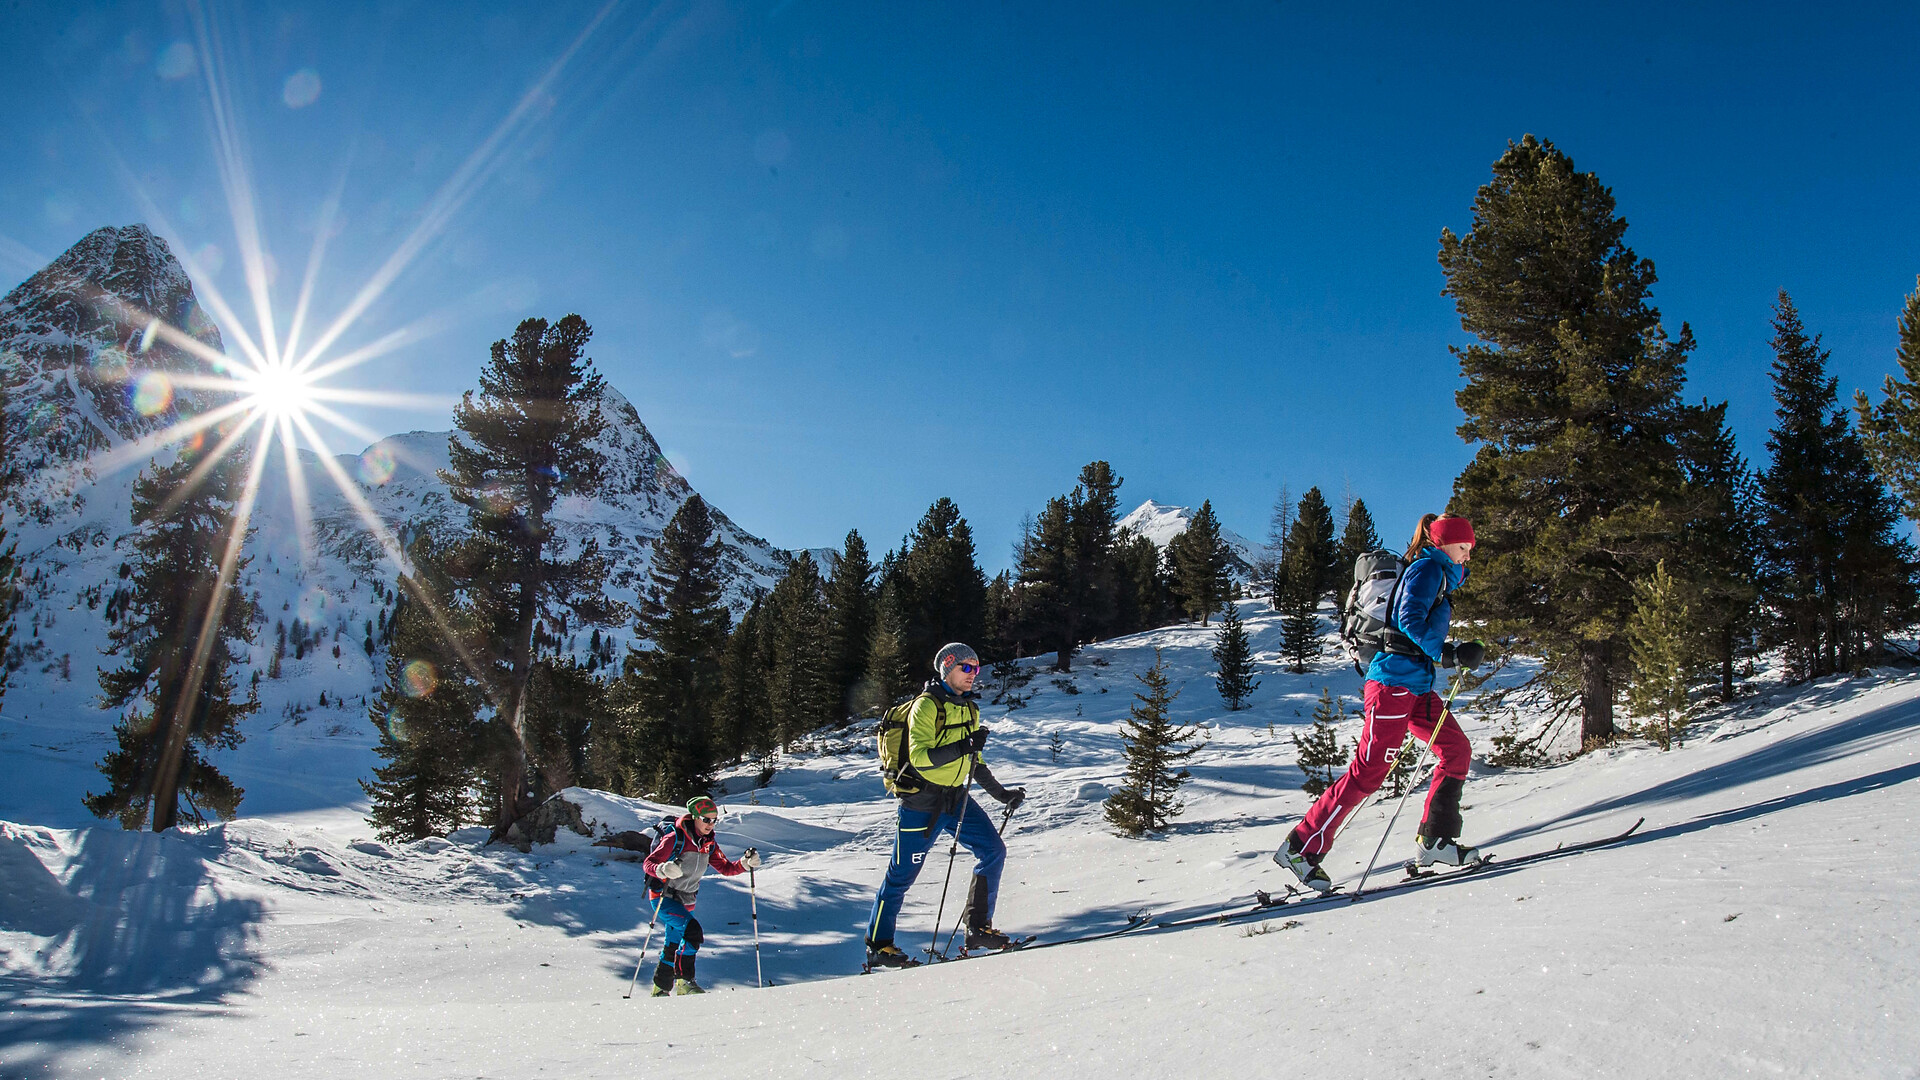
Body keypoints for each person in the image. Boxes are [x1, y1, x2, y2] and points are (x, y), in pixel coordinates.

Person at [1276, 513, 1487, 891]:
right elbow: (1409, 619)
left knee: (1456, 750)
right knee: (1369, 772)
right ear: (1442, 544)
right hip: (1392, 686)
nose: (1467, 555)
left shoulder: (1440, 574)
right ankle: (1301, 847)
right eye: (1463, 547)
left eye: (1470, 549)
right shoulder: (1427, 569)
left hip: (1417, 688)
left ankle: (1435, 840)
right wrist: (1448, 653)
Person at [864, 642, 1027, 969]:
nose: (972, 675)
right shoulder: (926, 707)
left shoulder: (970, 708)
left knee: (993, 850)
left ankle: (978, 928)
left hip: (956, 801)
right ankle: (879, 946)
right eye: (966, 668)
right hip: (922, 804)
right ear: (946, 668)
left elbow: (974, 762)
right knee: (901, 876)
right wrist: (964, 744)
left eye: (976, 669)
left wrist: (1001, 794)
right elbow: (921, 759)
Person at [641, 795, 762, 996]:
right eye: (706, 819)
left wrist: (745, 864)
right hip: (664, 898)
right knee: (693, 932)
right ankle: (684, 982)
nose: (710, 824)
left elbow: (725, 868)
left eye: (714, 820)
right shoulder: (675, 838)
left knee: (673, 942)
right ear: (695, 817)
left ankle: (660, 988)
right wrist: (663, 869)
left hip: (687, 899)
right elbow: (648, 863)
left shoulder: (709, 843)